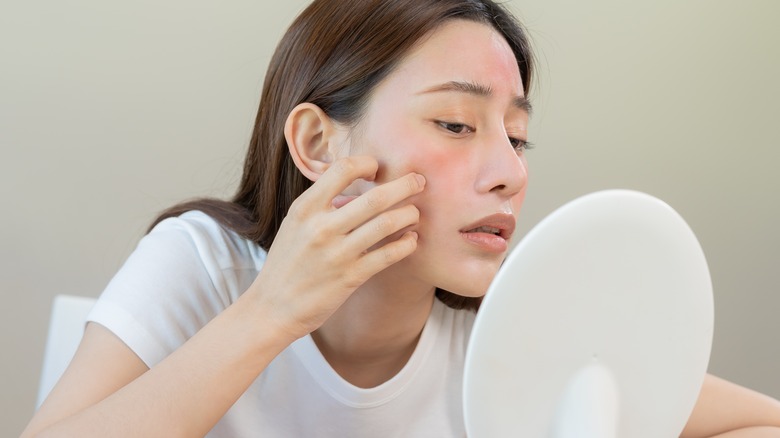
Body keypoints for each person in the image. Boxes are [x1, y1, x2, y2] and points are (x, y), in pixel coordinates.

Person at [21, 0, 780, 436]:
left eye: (517, 136)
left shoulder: (514, 330)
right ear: (318, 143)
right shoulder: (203, 266)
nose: (510, 171)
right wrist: (269, 315)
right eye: (455, 124)